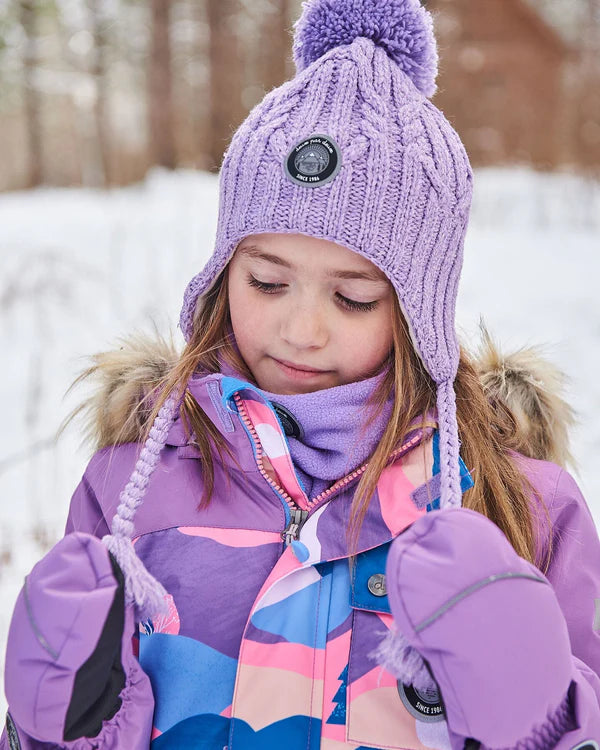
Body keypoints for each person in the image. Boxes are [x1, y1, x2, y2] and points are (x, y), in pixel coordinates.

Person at [2, 0, 600, 747]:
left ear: (419, 313)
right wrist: (52, 727)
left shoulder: (522, 507)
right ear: (222, 276)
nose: (301, 330)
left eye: (353, 297)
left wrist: (540, 712)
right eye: (267, 282)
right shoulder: (130, 489)